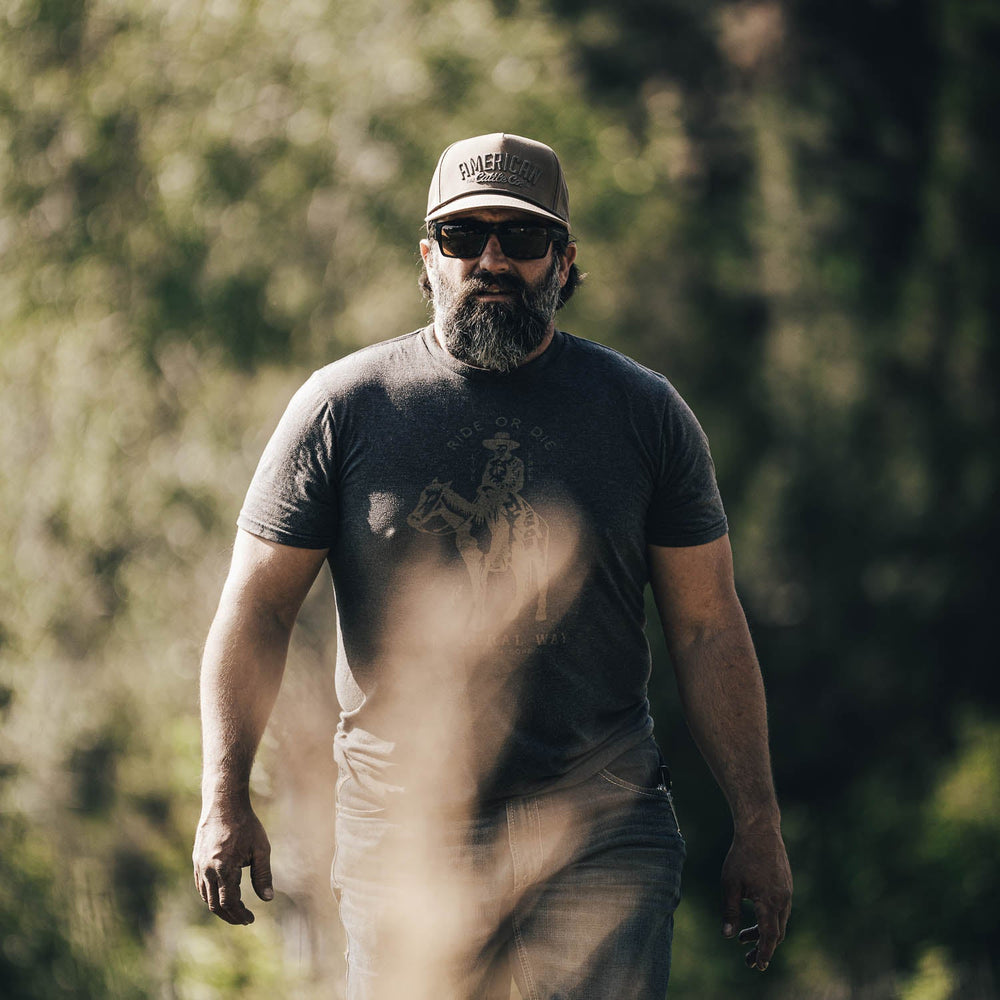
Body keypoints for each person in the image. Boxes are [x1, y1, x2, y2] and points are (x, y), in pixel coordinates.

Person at [193, 132, 792, 999]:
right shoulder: (344, 408)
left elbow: (707, 627)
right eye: (466, 236)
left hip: (602, 824)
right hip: (404, 830)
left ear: (565, 260)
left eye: (523, 237)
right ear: (428, 255)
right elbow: (256, 608)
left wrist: (759, 821)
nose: (493, 259)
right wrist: (224, 795)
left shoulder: (644, 414)